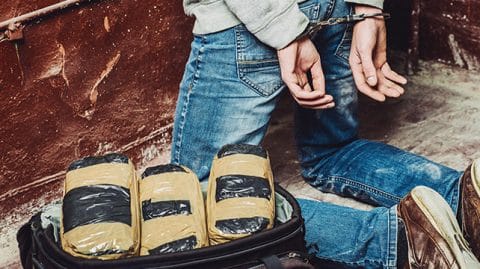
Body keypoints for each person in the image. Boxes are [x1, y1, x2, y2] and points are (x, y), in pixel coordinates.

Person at [172, 0, 480, 267]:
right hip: (338, 11)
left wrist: (285, 29)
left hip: (252, 18)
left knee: (197, 201)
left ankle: (404, 244)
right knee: (332, 150)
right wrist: (368, 8)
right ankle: (464, 201)